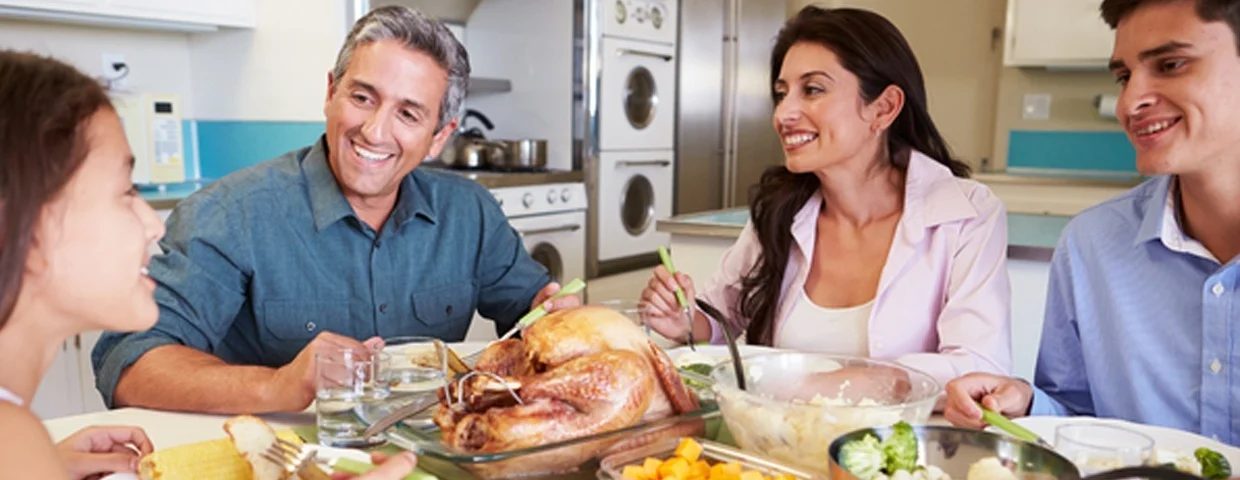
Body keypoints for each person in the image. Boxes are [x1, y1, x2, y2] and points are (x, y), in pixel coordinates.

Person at [91, 5, 579, 415]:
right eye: (362, 97)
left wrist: (557, 318)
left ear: (439, 137)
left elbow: (534, 316)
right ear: (331, 93)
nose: (374, 130)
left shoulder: (468, 213)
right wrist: (276, 385)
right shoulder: (232, 213)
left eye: (408, 114)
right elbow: (129, 363)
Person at [0, 49, 418, 480]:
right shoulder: (13, 439)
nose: (153, 226)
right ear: (22, 228)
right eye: (126, 192)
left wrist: (47, 464)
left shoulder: (17, 444)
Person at [640, 6, 1013, 390]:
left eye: (813, 89)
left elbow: (980, 367)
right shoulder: (779, 212)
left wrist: (845, 382)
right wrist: (685, 321)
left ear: (883, 108)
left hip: (897, 445)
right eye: (781, 93)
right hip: (776, 439)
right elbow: (721, 319)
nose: (784, 113)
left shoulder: (964, 215)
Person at [943, 0, 1240, 446]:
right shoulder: (1093, 243)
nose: (1130, 102)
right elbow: (1082, 419)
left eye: (1171, 64)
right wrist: (1026, 404)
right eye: (1123, 77)